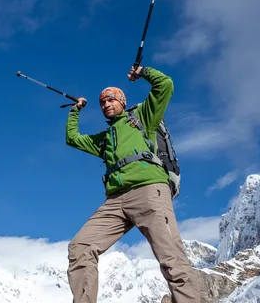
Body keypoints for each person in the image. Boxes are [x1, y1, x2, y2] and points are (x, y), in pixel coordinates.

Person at [65, 64, 200, 303]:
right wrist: (75, 111)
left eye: (111, 100)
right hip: (115, 201)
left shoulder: (142, 119)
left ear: (122, 102)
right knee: (81, 246)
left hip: (149, 190)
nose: (106, 104)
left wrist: (143, 72)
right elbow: (73, 139)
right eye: (102, 102)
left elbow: (165, 85)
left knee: (170, 257)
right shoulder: (105, 139)